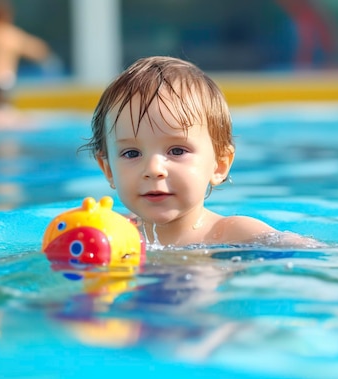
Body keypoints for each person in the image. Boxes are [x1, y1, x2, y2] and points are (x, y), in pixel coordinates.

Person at [81, 56, 319, 247]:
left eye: (176, 150)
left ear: (219, 165)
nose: (153, 169)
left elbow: (312, 253)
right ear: (108, 169)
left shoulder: (233, 233)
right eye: (131, 153)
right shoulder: (111, 233)